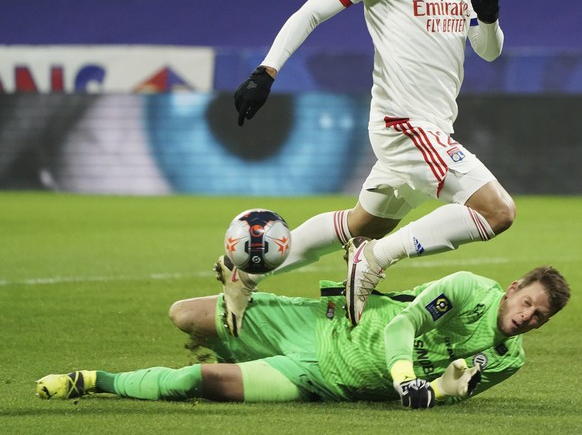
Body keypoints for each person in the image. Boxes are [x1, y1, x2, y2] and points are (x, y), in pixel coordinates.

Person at [219, 0, 515, 336]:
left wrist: (489, 16)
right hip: (405, 123)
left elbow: (488, 52)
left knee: (363, 224)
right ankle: (374, 261)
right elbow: (310, 12)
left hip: (434, 126)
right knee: (497, 212)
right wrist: (266, 71)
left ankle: (244, 273)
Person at [36, 265, 570, 409]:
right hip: (326, 324)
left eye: (539, 318)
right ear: (513, 288)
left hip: (321, 379)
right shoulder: (469, 290)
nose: (527, 318)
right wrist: (409, 378)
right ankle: (243, 295)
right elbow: (406, 322)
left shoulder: (507, 361)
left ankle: (90, 381)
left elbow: (454, 392)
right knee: (184, 316)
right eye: (528, 304)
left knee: (197, 382)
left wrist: (445, 391)